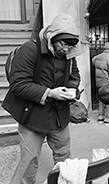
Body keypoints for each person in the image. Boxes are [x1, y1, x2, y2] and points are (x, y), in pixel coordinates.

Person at [2, 13, 81, 184]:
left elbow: (74, 75)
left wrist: (73, 90)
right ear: (53, 38)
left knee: (65, 158)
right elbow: (18, 84)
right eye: (63, 44)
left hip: (59, 117)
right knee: (29, 164)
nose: (66, 49)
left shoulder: (68, 53)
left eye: (70, 45)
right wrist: (50, 93)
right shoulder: (29, 50)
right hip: (32, 117)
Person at [92, 42, 109, 125]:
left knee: (101, 99)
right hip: (108, 84)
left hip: (99, 83)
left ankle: (101, 117)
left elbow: (93, 61)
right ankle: (108, 119)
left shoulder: (96, 58)